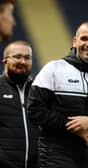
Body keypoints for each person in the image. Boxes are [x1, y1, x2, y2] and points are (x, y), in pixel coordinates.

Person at [27, 21, 88, 168]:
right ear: (75, 41)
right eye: (84, 38)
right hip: (55, 157)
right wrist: (74, 127)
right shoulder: (52, 69)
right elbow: (34, 111)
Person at [0, 40, 39, 168]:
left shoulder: (39, 91)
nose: (23, 61)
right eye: (17, 57)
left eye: (27, 58)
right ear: (5, 61)